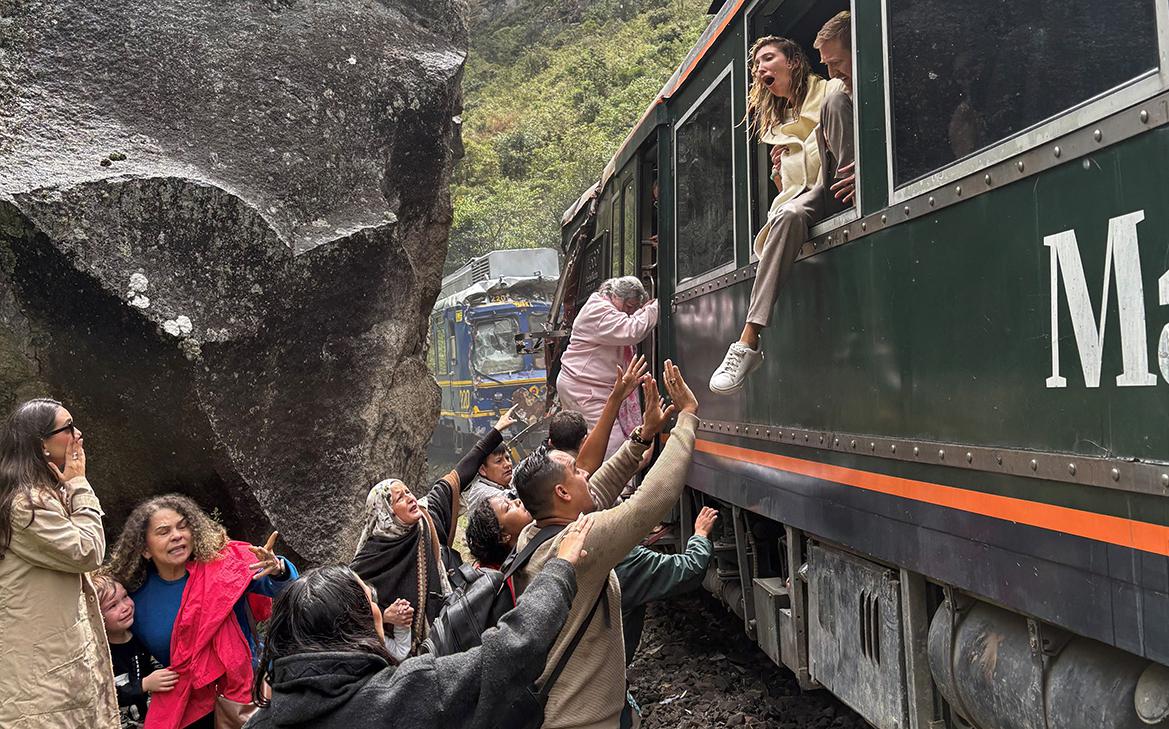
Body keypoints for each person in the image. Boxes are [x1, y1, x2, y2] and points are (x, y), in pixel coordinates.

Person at [245, 516, 595, 729]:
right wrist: (559, 568)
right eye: (370, 600)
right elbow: (512, 648)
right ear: (354, 624)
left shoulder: (262, 721)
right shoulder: (407, 693)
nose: (378, 607)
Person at [511, 360, 700, 729]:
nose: (585, 472)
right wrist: (687, 418)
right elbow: (651, 501)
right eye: (575, 472)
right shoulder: (581, 544)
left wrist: (643, 436)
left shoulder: (533, 535)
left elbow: (597, 490)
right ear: (562, 493)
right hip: (583, 721)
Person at [709, 11, 856, 395]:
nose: (759, 68)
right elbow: (790, 189)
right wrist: (780, 173)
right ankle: (748, 342)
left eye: (767, 58)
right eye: (755, 64)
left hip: (839, 186)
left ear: (792, 61)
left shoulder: (830, 90)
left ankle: (747, 338)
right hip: (806, 202)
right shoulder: (777, 126)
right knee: (788, 214)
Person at [105, 495, 299, 729]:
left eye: (182, 526)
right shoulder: (133, 602)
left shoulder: (225, 566)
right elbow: (126, 660)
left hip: (248, 692)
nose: (177, 535)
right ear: (145, 549)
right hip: (190, 705)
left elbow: (287, 588)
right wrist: (143, 685)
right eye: (164, 531)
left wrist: (278, 569)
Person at [0, 398, 120, 729]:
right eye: (68, 428)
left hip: (55, 673)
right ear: (41, 444)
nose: (78, 434)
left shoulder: (41, 495)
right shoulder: (25, 505)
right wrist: (80, 484)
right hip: (40, 685)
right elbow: (88, 551)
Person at [556, 276, 659, 458]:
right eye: (630, 306)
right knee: (612, 446)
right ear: (616, 297)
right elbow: (631, 330)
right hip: (585, 389)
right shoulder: (599, 311)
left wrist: (643, 311)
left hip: (586, 386)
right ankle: (620, 476)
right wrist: (657, 306)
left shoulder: (603, 306)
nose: (631, 312)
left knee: (591, 442)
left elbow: (625, 321)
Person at [616, 507, 718, 665]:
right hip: (604, 670)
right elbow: (691, 568)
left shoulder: (577, 546)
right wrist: (700, 534)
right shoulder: (627, 560)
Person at [92, 572, 177, 727]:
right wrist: (144, 685)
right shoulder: (98, 655)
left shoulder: (140, 636)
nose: (125, 607)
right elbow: (104, 697)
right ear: (96, 617)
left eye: (125, 596)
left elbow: (157, 666)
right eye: (112, 606)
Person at [459, 407, 521, 516]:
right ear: (483, 470)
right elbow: (515, 498)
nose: (507, 464)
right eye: (499, 461)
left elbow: (522, 471)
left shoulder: (502, 481)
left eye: (507, 458)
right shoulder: (482, 492)